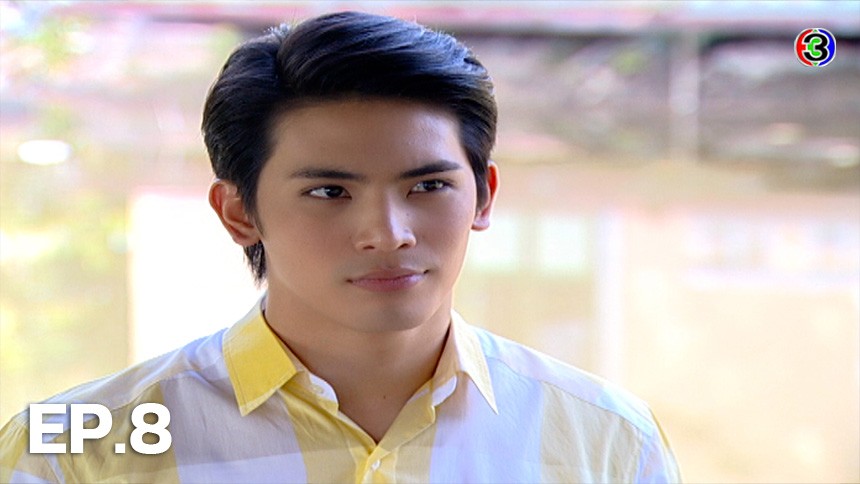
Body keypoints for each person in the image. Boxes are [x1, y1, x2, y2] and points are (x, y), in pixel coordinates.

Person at [1, 11, 680, 483]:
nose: (388, 232)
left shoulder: (605, 440)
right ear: (239, 212)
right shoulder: (74, 452)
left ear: (483, 196)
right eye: (329, 191)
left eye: (428, 186)